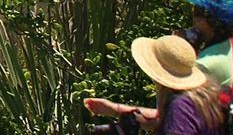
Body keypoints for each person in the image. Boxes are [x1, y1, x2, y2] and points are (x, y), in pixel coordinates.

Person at [81, 33, 224, 133]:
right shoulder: (203, 96)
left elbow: (177, 120)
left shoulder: (180, 108)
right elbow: (166, 120)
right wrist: (116, 109)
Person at [179, 0, 233, 89]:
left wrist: (176, 49)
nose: (193, 18)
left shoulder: (202, 66)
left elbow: (170, 96)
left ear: (207, 22)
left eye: (196, 12)